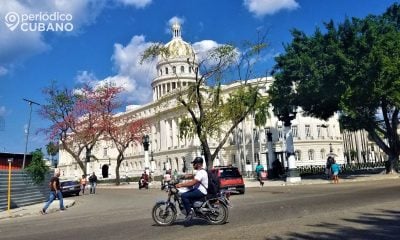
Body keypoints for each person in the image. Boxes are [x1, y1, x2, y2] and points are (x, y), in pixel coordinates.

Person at [176, 157, 208, 222]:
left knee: (184, 196)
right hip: (199, 190)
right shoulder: (200, 172)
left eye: (194, 163)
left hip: (200, 191)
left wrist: (181, 185)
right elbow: (192, 176)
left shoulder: (201, 172)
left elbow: (193, 183)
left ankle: (189, 213)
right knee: (187, 192)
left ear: (198, 164)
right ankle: (193, 209)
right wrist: (183, 176)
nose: (193, 165)